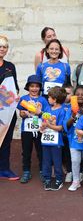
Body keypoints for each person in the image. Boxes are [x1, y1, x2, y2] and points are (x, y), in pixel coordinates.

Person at [17, 75, 49, 183]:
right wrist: (24, 113)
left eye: (36, 86)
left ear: (40, 88)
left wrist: (40, 113)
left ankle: (42, 171)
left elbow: (47, 115)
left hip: (39, 130)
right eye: (32, 86)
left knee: (41, 151)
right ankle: (26, 171)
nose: (34, 89)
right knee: (26, 151)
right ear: (28, 87)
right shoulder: (24, 99)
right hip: (26, 130)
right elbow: (20, 113)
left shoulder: (43, 100)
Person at [0, 35, 20, 180]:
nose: (2, 49)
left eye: (5, 47)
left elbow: (15, 88)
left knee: (6, 140)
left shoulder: (10, 66)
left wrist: (14, 96)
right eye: (0, 46)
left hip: (7, 111)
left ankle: (4, 169)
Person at [40, 86, 67, 191]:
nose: (48, 99)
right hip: (46, 140)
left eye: (49, 97)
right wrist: (42, 127)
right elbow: (43, 123)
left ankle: (58, 180)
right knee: (46, 161)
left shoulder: (62, 111)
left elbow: (60, 127)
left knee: (57, 161)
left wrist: (49, 126)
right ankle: (47, 179)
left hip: (57, 141)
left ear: (55, 99)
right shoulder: (47, 109)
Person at [64, 85, 83, 191]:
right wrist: (73, 115)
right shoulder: (70, 109)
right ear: (73, 96)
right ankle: (76, 181)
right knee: (75, 161)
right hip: (74, 140)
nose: (80, 96)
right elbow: (66, 126)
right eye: (77, 94)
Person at [62, 84, 73, 183]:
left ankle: (77, 172)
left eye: (68, 93)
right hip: (60, 134)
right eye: (63, 93)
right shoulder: (58, 104)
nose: (66, 95)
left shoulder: (74, 106)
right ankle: (69, 170)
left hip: (72, 135)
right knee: (64, 153)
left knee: (71, 153)